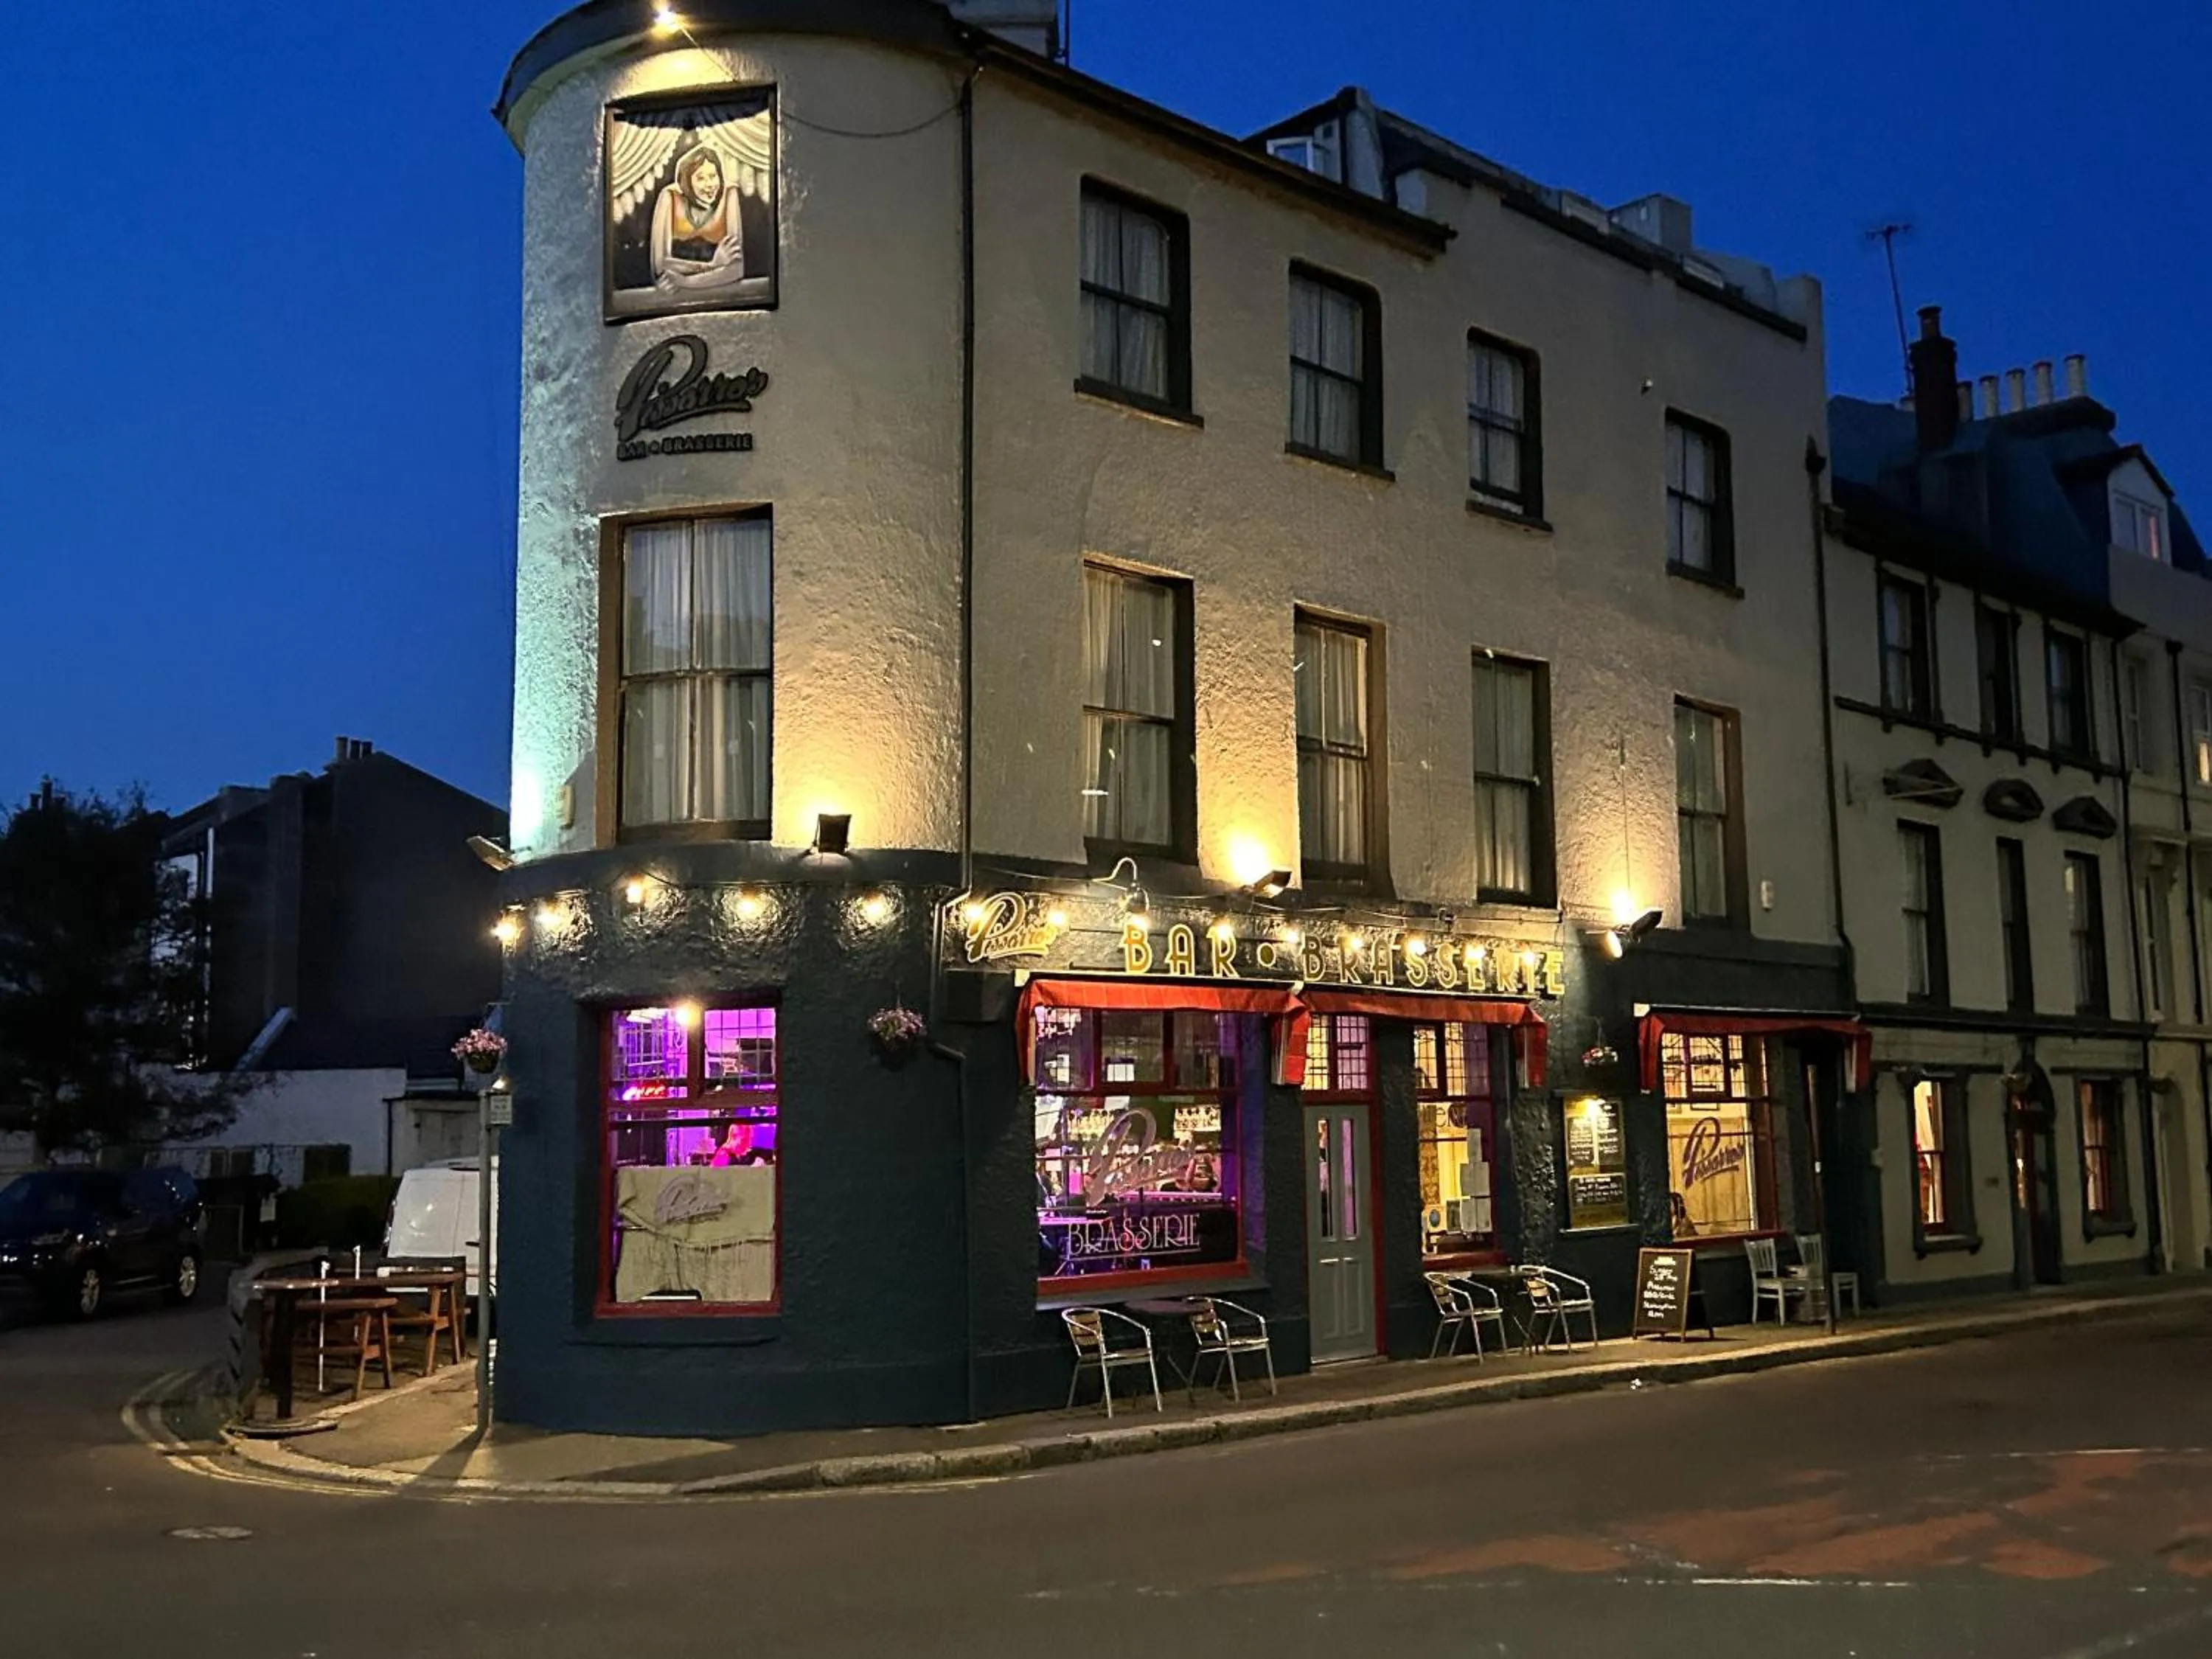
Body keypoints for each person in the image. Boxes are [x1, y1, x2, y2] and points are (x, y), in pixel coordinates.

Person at [650, 145, 747, 293]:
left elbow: (736, 269)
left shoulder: (729, 194)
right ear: (686, 182)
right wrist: (713, 266)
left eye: (713, 176)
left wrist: (686, 281)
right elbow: (660, 265)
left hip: (716, 293)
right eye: (701, 178)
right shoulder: (669, 196)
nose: (710, 185)